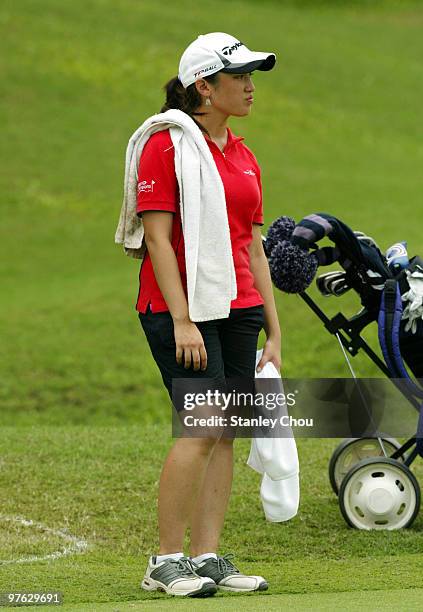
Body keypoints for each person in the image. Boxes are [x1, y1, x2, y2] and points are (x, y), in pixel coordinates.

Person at [136, 33, 281, 598]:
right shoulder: (166, 146)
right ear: (204, 84)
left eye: (252, 75)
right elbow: (158, 238)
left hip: (241, 307)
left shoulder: (243, 155)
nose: (249, 86)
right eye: (239, 75)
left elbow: (253, 245)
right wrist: (182, 319)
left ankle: (208, 555)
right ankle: (165, 560)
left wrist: (274, 326)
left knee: (226, 434)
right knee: (200, 428)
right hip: (182, 311)